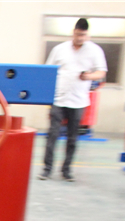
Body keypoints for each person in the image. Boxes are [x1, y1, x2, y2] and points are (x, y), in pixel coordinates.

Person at [40, 18, 107, 181]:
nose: (80, 38)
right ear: (73, 33)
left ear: (87, 34)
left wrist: (89, 76)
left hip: (78, 101)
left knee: (72, 138)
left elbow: (101, 72)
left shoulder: (95, 51)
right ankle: (47, 169)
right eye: (78, 35)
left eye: (83, 35)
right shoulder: (59, 49)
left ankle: (66, 171)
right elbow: (48, 71)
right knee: (52, 135)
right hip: (58, 99)